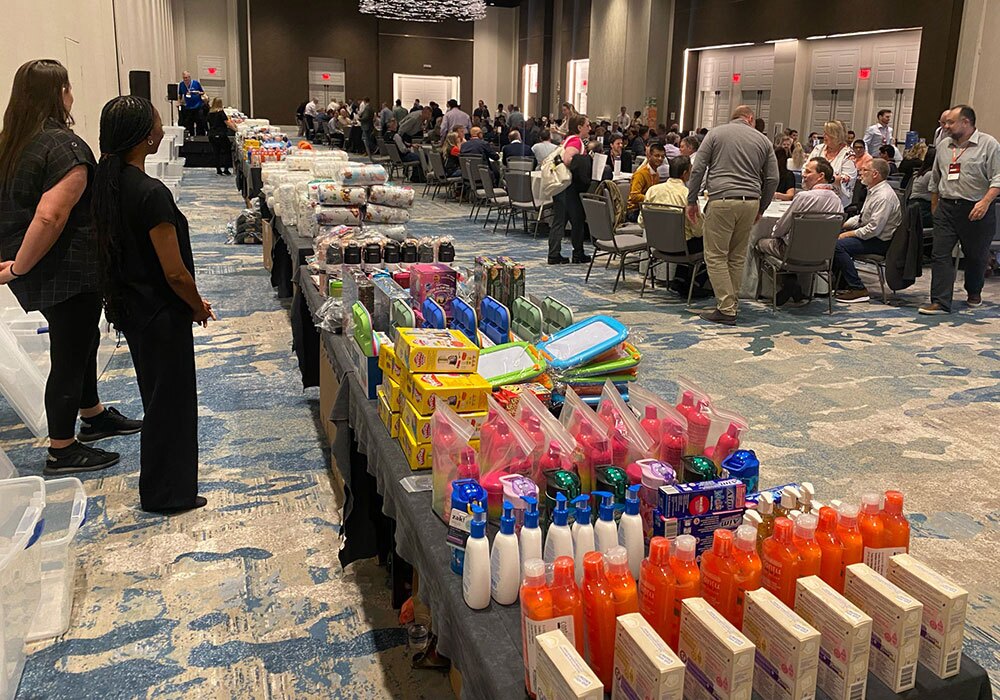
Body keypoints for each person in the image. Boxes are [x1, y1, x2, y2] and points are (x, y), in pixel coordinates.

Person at [0, 58, 142, 474]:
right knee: (69, 353)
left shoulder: (12, 142)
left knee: (83, 341)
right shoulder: (65, 147)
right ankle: (62, 449)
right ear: (60, 93)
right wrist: (20, 268)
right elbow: (50, 216)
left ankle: (92, 413)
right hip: (63, 269)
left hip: (36, 263)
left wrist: (19, 265)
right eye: (68, 87)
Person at [91, 95, 210, 512]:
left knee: (157, 400)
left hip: (133, 309)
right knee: (172, 407)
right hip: (162, 313)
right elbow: (174, 272)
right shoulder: (151, 193)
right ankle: (168, 494)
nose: (162, 128)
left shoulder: (108, 184)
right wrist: (196, 305)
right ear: (146, 137)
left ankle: (162, 487)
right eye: (158, 123)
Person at [685, 105, 779, 325]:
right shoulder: (763, 140)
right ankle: (730, 304)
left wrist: (691, 200)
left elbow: (698, 168)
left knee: (715, 255)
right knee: (736, 256)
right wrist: (762, 207)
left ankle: (726, 308)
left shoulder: (715, 134)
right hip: (751, 201)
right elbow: (773, 178)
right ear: (750, 118)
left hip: (722, 200)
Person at [920, 105, 1000, 314]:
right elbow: (936, 178)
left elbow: (998, 178)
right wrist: (935, 205)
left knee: (976, 256)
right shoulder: (944, 146)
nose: (945, 126)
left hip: (976, 209)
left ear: (966, 122)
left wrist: (985, 202)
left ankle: (974, 291)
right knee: (940, 254)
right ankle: (940, 301)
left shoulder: (989, 144)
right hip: (946, 207)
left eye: (950, 122)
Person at [756, 157, 844, 304]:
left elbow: (781, 228)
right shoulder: (837, 201)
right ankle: (794, 284)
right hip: (822, 255)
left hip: (792, 253)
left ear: (821, 176)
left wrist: (775, 234)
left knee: (759, 243)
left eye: (808, 172)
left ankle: (781, 284)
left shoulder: (804, 197)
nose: (803, 175)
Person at [833, 158, 901, 303]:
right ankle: (841, 283)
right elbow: (862, 218)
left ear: (875, 174)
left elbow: (873, 229)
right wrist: (842, 224)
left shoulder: (884, 197)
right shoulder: (873, 191)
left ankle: (858, 288)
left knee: (837, 246)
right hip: (871, 236)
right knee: (831, 237)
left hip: (880, 241)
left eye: (864, 170)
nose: (860, 173)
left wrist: (847, 234)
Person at [641, 155, 710, 296]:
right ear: (685, 173)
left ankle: (680, 278)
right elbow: (697, 230)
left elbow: (642, 221)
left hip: (656, 244)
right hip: (681, 247)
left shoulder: (652, 190)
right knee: (713, 243)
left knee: (687, 238)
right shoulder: (688, 195)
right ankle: (697, 282)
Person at [548, 114, 592, 265]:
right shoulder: (575, 141)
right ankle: (570, 253)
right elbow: (568, 159)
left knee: (564, 220)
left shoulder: (567, 139)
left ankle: (558, 253)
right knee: (570, 220)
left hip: (563, 187)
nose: (589, 128)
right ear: (579, 127)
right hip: (568, 187)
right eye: (587, 125)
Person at [808, 121, 857, 207]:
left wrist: (827, 178)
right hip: (814, 195)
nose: (823, 136)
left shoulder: (848, 154)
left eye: (827, 134)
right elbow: (806, 167)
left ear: (836, 136)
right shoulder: (818, 149)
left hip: (837, 200)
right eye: (824, 132)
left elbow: (848, 178)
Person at [627, 142, 665, 222]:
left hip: (647, 208)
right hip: (634, 211)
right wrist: (651, 199)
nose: (660, 159)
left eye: (662, 156)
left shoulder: (656, 174)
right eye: (657, 156)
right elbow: (634, 196)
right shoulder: (640, 174)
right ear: (649, 156)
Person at [908, 146, 936, 228]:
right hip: (923, 210)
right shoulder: (930, 175)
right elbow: (936, 195)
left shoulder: (920, 173)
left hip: (913, 208)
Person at [207, 98, 234, 176]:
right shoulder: (221, 113)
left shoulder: (210, 113)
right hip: (221, 134)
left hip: (212, 135)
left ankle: (218, 169)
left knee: (216, 152)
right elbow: (227, 123)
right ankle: (226, 169)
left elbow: (208, 124)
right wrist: (235, 129)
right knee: (227, 151)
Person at [177, 71, 206, 137]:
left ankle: (200, 136)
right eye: (184, 78)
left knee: (199, 123)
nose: (185, 79)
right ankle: (191, 136)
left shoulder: (196, 83)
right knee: (189, 124)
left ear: (189, 77)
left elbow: (203, 92)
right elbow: (180, 95)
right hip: (188, 107)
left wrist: (197, 92)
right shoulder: (181, 84)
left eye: (186, 78)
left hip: (197, 106)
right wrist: (179, 102)